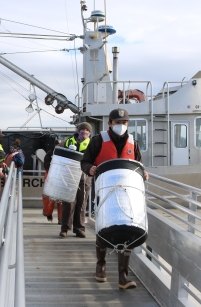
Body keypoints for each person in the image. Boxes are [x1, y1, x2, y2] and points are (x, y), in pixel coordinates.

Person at [80, 108, 148, 290]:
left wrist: (144, 173)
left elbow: (139, 164)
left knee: (129, 229)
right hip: (105, 190)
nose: (121, 126)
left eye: (124, 123)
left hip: (128, 194)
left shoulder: (134, 143)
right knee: (103, 225)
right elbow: (85, 161)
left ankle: (123, 277)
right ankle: (101, 265)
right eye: (118, 123)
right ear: (110, 123)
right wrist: (90, 169)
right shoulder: (98, 141)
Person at [59, 122, 92, 238]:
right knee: (68, 202)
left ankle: (79, 228)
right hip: (69, 176)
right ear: (77, 130)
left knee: (82, 203)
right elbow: (57, 154)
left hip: (85, 176)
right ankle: (65, 228)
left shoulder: (92, 144)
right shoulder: (67, 142)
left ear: (90, 132)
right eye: (82, 129)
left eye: (86, 130)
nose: (84, 132)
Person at [42, 139, 63, 224]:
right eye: (57, 144)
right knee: (49, 198)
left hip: (61, 178)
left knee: (61, 199)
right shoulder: (49, 154)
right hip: (50, 177)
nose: (58, 146)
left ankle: (61, 219)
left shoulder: (63, 154)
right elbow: (46, 165)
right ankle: (48, 213)